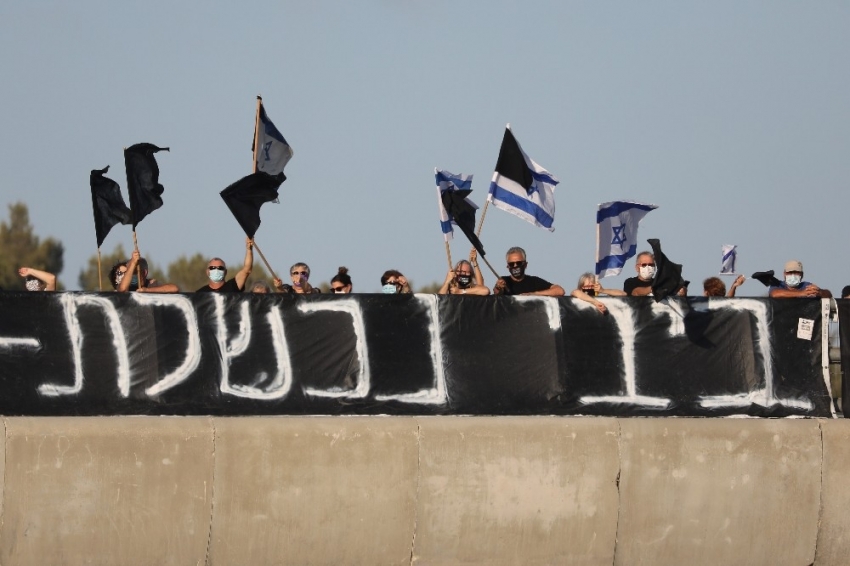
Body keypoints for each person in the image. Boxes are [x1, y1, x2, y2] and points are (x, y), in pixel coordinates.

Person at [492, 246, 565, 297]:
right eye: (511, 264)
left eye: (519, 263)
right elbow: (497, 293)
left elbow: (559, 290)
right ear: (507, 267)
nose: (515, 266)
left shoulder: (534, 281)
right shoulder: (504, 280)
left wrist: (533, 294)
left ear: (525, 265)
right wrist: (498, 287)